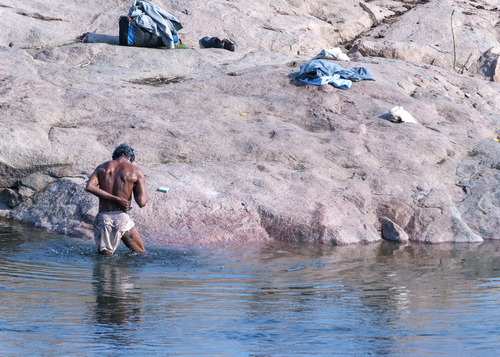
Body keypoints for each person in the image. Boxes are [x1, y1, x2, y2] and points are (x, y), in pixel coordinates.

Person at [86, 143, 148, 255]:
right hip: (122, 220)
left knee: (104, 260)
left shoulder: (102, 167)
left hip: (103, 219)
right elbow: (142, 202)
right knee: (141, 254)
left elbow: (89, 186)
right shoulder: (136, 171)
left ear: (113, 157)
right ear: (131, 158)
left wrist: (114, 198)